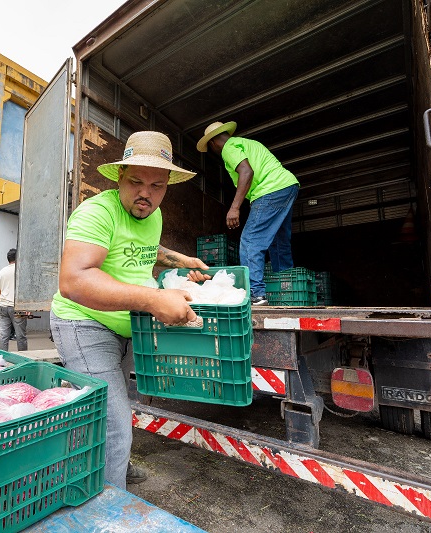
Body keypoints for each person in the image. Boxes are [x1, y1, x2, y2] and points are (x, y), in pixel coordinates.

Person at [50, 131, 208, 489]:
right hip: (84, 322)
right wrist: (153, 300)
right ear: (120, 176)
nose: (145, 194)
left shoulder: (153, 214)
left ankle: (110, 467)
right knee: (114, 424)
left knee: (111, 410)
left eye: (157, 185)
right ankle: (108, 501)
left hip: (126, 327)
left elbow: (149, 249)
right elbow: (74, 280)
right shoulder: (97, 212)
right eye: (136, 181)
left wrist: (182, 261)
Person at [198, 121, 300, 305]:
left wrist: (234, 207)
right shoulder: (246, 143)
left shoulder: (229, 148)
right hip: (287, 186)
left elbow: (246, 171)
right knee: (279, 242)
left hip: (269, 190)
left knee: (251, 240)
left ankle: (256, 293)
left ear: (212, 143)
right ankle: (287, 290)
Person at [0, 248, 27, 351]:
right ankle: (23, 357)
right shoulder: (21, 271)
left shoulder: (2, 271)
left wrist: (0, 304)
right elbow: (24, 291)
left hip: (2, 306)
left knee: (3, 336)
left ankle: (2, 357)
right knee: (20, 336)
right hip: (17, 308)